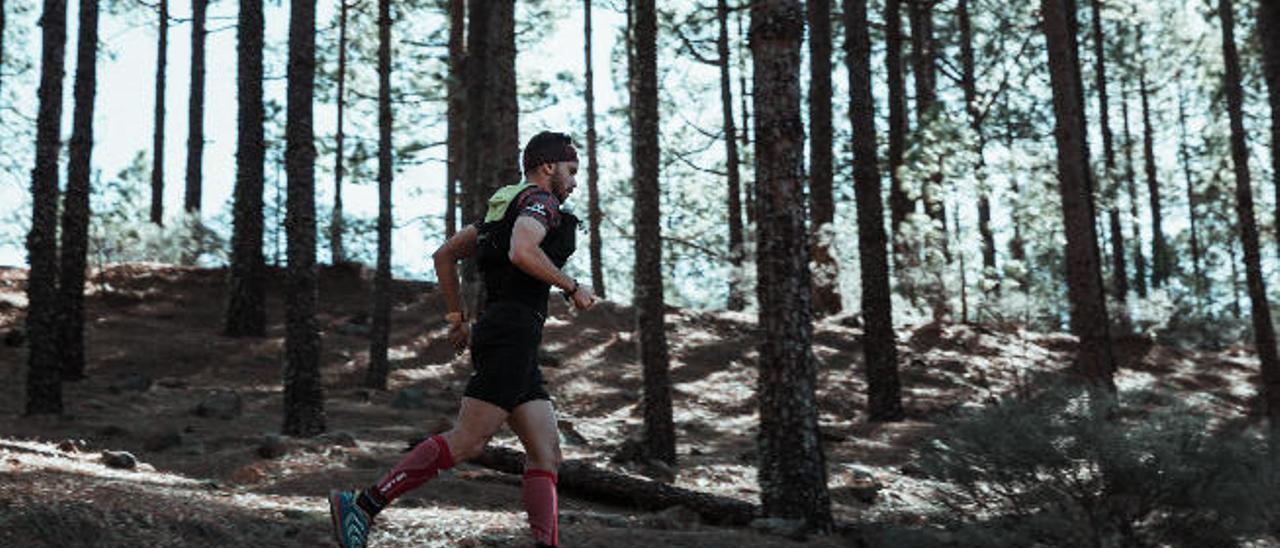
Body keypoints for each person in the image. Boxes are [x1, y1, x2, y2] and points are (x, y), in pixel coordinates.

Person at [330, 131, 597, 548]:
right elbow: (522, 252)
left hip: (512, 337)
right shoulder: (540, 202)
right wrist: (571, 285)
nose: (575, 182)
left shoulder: (504, 207)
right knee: (469, 440)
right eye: (572, 170)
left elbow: (445, 254)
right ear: (548, 167)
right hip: (510, 333)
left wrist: (457, 318)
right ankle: (362, 506)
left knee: (547, 453)